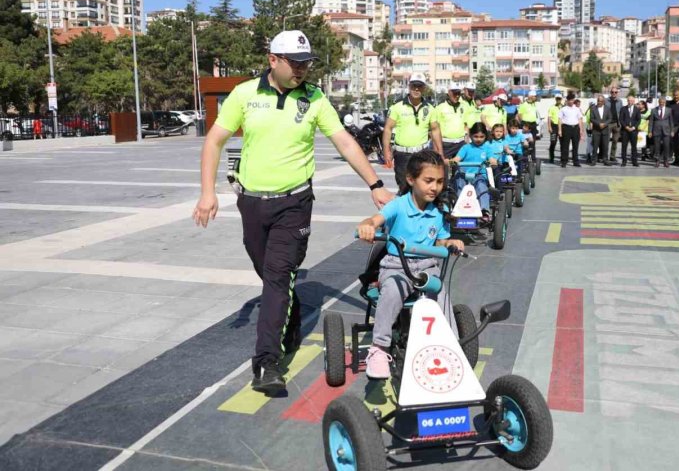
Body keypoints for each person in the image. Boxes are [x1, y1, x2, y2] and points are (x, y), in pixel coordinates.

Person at [192, 30, 393, 395]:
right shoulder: (245, 94)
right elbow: (215, 140)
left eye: (306, 63)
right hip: (252, 202)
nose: (302, 70)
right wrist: (208, 193)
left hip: (294, 203)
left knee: (277, 276)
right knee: (269, 275)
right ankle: (289, 308)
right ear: (273, 60)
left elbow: (345, 141)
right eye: (295, 63)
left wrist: (375, 184)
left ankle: (267, 362)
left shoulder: (314, 98)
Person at [356, 150, 465, 380]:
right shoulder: (398, 206)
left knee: (440, 295)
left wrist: (451, 242)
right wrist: (367, 226)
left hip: (427, 265)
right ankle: (379, 348)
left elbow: (439, 241)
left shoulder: (438, 211)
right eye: (428, 181)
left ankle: (450, 347)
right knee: (392, 292)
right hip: (396, 266)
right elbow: (374, 220)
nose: (434, 187)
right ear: (411, 179)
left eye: (439, 181)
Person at [383, 73, 440, 193]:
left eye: (420, 86)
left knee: (422, 187)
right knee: (404, 188)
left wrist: (439, 152)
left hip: (422, 154)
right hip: (402, 155)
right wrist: (386, 151)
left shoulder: (430, 108)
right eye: (414, 85)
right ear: (409, 86)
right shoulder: (397, 107)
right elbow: (388, 128)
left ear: (424, 88)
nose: (416, 89)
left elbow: (435, 130)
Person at [450, 123, 496, 219]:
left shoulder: (487, 148)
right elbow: (457, 158)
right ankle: (457, 209)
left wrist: (492, 161)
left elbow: (492, 158)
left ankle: (484, 210)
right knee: (459, 186)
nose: (478, 139)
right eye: (475, 136)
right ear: (471, 136)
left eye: (481, 137)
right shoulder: (466, 147)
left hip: (479, 174)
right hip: (463, 174)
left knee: (481, 187)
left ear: (485, 136)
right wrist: (453, 161)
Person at [429, 83, 468, 160]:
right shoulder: (439, 108)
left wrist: (466, 140)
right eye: (454, 93)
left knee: (459, 170)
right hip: (445, 144)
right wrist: (437, 149)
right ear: (449, 92)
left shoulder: (464, 106)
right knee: (444, 169)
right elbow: (435, 129)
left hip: (461, 144)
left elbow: (466, 125)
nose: (457, 96)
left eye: (458, 93)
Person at [559, 93, 584, 168]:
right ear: (567, 100)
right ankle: (564, 161)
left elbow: (580, 119)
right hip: (566, 128)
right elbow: (559, 120)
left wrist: (581, 130)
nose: (571, 101)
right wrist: (560, 130)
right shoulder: (563, 109)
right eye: (570, 100)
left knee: (575, 146)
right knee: (565, 146)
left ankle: (575, 161)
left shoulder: (577, 109)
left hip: (575, 128)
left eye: (572, 100)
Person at [586, 94, 613, 166]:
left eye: (601, 101)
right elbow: (592, 118)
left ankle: (605, 160)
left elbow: (610, 118)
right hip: (596, 130)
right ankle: (594, 160)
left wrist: (604, 124)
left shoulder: (607, 108)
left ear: (603, 101)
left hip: (605, 130)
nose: (599, 102)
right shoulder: (593, 108)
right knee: (595, 146)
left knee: (605, 146)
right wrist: (599, 124)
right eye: (598, 101)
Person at [650, 96, 674, 168]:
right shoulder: (654, 110)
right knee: (657, 146)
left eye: (663, 102)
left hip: (666, 131)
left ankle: (666, 161)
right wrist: (650, 131)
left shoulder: (669, 110)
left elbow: (671, 121)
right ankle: (657, 161)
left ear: (665, 103)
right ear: (658, 102)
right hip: (656, 131)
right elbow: (651, 122)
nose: (662, 103)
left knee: (666, 146)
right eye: (660, 102)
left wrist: (672, 130)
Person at [619, 95, 641, 167]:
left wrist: (634, 127)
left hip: (634, 131)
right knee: (624, 146)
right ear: (627, 101)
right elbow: (621, 119)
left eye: (631, 100)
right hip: (625, 130)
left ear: (634, 101)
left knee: (634, 146)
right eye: (628, 100)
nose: (630, 102)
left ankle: (634, 161)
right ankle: (624, 161)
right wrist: (626, 127)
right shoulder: (623, 109)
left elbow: (639, 120)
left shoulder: (637, 109)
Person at [607, 87, 621, 161]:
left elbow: (621, 112)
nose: (614, 93)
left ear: (617, 93)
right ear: (610, 93)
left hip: (617, 124)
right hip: (608, 123)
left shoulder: (620, 101)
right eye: (612, 92)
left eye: (615, 92)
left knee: (615, 141)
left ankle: (612, 156)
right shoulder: (606, 101)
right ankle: (604, 156)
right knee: (606, 141)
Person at [547, 95, 562, 163]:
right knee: (553, 142)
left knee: (563, 143)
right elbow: (549, 118)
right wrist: (549, 127)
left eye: (559, 99)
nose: (558, 100)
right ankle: (551, 157)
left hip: (562, 126)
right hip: (554, 126)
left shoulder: (564, 107)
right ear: (555, 99)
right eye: (557, 99)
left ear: (561, 99)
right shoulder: (552, 107)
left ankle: (563, 157)